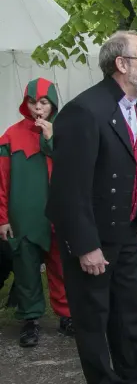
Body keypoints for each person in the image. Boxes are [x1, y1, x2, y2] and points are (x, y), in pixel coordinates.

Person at [47, 31, 137, 384]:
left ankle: (135, 381)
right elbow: (68, 188)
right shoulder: (83, 110)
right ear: (122, 64)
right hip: (92, 237)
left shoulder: (134, 106)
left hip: (126, 231)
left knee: (128, 313)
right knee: (94, 317)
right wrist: (85, 246)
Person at [0, 78, 73, 347]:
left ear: (53, 104)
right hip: (25, 216)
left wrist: (50, 138)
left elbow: (75, 170)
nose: (37, 108)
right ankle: (30, 320)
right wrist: (2, 218)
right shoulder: (11, 135)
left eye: (43, 102)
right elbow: (1, 179)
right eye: (32, 102)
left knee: (62, 266)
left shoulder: (65, 131)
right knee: (27, 269)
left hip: (57, 215)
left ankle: (66, 315)